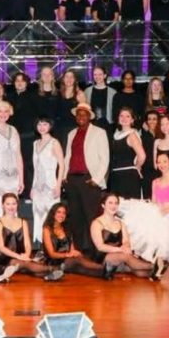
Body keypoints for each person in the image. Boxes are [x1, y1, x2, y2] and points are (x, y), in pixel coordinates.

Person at [119, 152, 169, 263]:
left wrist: (168, 209)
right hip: (158, 213)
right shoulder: (155, 182)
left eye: (164, 161)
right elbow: (154, 202)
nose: (162, 165)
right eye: (159, 162)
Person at [63, 103, 108, 255]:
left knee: (92, 217)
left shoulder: (99, 133)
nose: (81, 117)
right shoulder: (71, 134)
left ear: (90, 117)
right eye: (78, 114)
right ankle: (79, 250)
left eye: (84, 114)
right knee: (76, 218)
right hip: (72, 180)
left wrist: (96, 178)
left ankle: (97, 251)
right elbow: (67, 156)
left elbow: (105, 159)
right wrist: (64, 177)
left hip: (89, 179)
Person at [90, 192, 162, 279]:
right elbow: (100, 246)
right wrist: (120, 249)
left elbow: (126, 241)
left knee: (137, 271)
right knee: (125, 256)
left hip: (120, 256)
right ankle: (154, 266)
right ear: (103, 205)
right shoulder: (97, 223)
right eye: (110, 203)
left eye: (116, 203)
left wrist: (126, 247)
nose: (113, 206)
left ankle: (155, 273)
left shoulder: (120, 223)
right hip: (102, 258)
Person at [0, 192, 63, 280]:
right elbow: (1, 248)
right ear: (3, 206)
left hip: (21, 256)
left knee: (29, 267)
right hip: (5, 258)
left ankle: (48, 276)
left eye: (14, 204)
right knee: (25, 264)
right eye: (8, 204)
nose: (11, 207)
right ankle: (53, 269)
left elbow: (27, 244)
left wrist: (27, 254)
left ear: (17, 205)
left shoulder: (23, 222)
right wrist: (19, 257)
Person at [42, 203, 107, 278]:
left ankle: (105, 273)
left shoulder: (66, 228)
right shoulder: (47, 229)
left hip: (68, 260)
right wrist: (67, 255)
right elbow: (51, 254)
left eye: (64, 213)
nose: (61, 215)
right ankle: (103, 267)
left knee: (82, 268)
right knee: (77, 261)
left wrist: (75, 253)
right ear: (53, 213)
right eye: (59, 212)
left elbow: (71, 249)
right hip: (55, 261)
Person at [30, 117, 64, 244]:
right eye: (39, 124)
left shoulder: (54, 143)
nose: (42, 127)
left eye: (45, 124)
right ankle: (40, 247)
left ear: (50, 126)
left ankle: (53, 246)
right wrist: (33, 187)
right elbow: (35, 168)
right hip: (38, 187)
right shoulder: (35, 143)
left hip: (51, 185)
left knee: (51, 216)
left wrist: (58, 185)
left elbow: (62, 165)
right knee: (38, 216)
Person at [116, 0, 150, 72]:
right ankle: (128, 72)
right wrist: (123, 18)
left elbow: (145, 4)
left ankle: (139, 72)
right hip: (125, 22)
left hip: (139, 21)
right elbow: (119, 4)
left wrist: (140, 18)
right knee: (127, 48)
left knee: (139, 47)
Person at [108, 107, 146, 199]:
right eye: (121, 116)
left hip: (128, 177)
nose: (124, 118)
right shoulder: (116, 135)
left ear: (132, 120)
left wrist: (136, 166)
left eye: (127, 116)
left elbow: (142, 155)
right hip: (116, 176)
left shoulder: (132, 135)